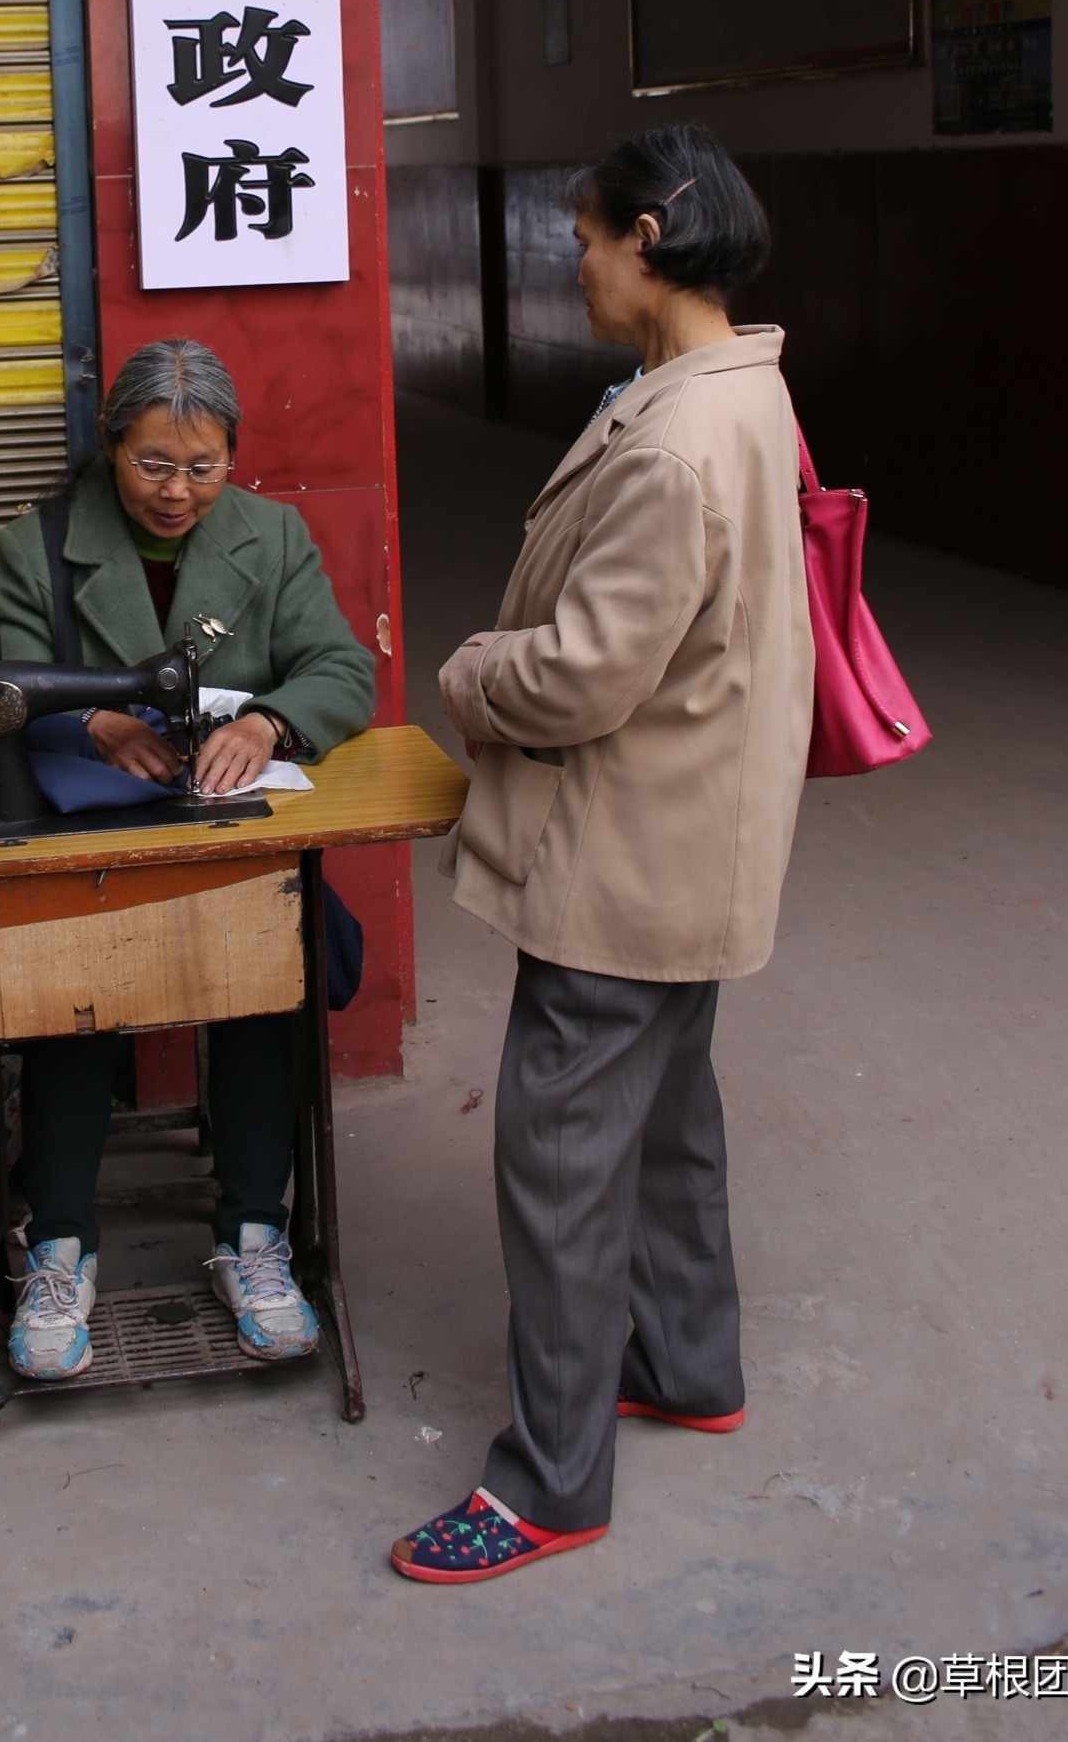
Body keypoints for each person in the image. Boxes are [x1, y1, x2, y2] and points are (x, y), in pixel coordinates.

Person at [392, 124, 814, 1584]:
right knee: (670, 1124)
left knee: (562, 1153)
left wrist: (470, 672)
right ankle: (691, 1364)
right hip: (697, 838)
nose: (570, 261)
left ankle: (550, 1480)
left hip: (624, 856)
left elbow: (582, 676)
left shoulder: (679, 441)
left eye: (583, 236)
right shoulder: (736, 390)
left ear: (648, 237)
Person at [0, 337, 376, 1381]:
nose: (178, 490)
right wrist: (100, 721)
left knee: (257, 984)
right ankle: (57, 1243)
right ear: (111, 447)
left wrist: (275, 727)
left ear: (234, 453)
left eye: (204, 466)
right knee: (67, 1002)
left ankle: (253, 1236)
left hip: (218, 830)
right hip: (88, 834)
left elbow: (340, 666)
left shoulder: (271, 537)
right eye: (154, 463)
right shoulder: (38, 544)